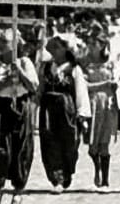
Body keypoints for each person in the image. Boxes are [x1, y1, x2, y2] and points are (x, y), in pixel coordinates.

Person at [0, 28, 38, 204]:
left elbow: (33, 87)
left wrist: (19, 71)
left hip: (20, 105)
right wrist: (5, 81)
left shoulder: (25, 61)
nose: (1, 45)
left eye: (5, 41)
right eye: (1, 41)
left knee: (20, 147)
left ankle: (18, 190)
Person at [38, 35, 91, 193]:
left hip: (67, 110)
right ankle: (57, 178)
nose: (54, 50)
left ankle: (67, 173)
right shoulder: (45, 67)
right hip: (48, 109)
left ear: (65, 49)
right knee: (49, 142)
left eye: (57, 47)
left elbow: (81, 92)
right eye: (52, 47)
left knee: (68, 143)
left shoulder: (74, 69)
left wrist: (83, 114)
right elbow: (40, 89)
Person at [83, 35, 117, 191]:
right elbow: (85, 85)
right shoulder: (86, 62)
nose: (91, 46)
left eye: (94, 43)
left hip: (107, 104)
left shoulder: (111, 63)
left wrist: (115, 86)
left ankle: (105, 180)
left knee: (104, 142)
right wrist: (105, 84)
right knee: (92, 143)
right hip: (92, 104)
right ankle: (96, 169)